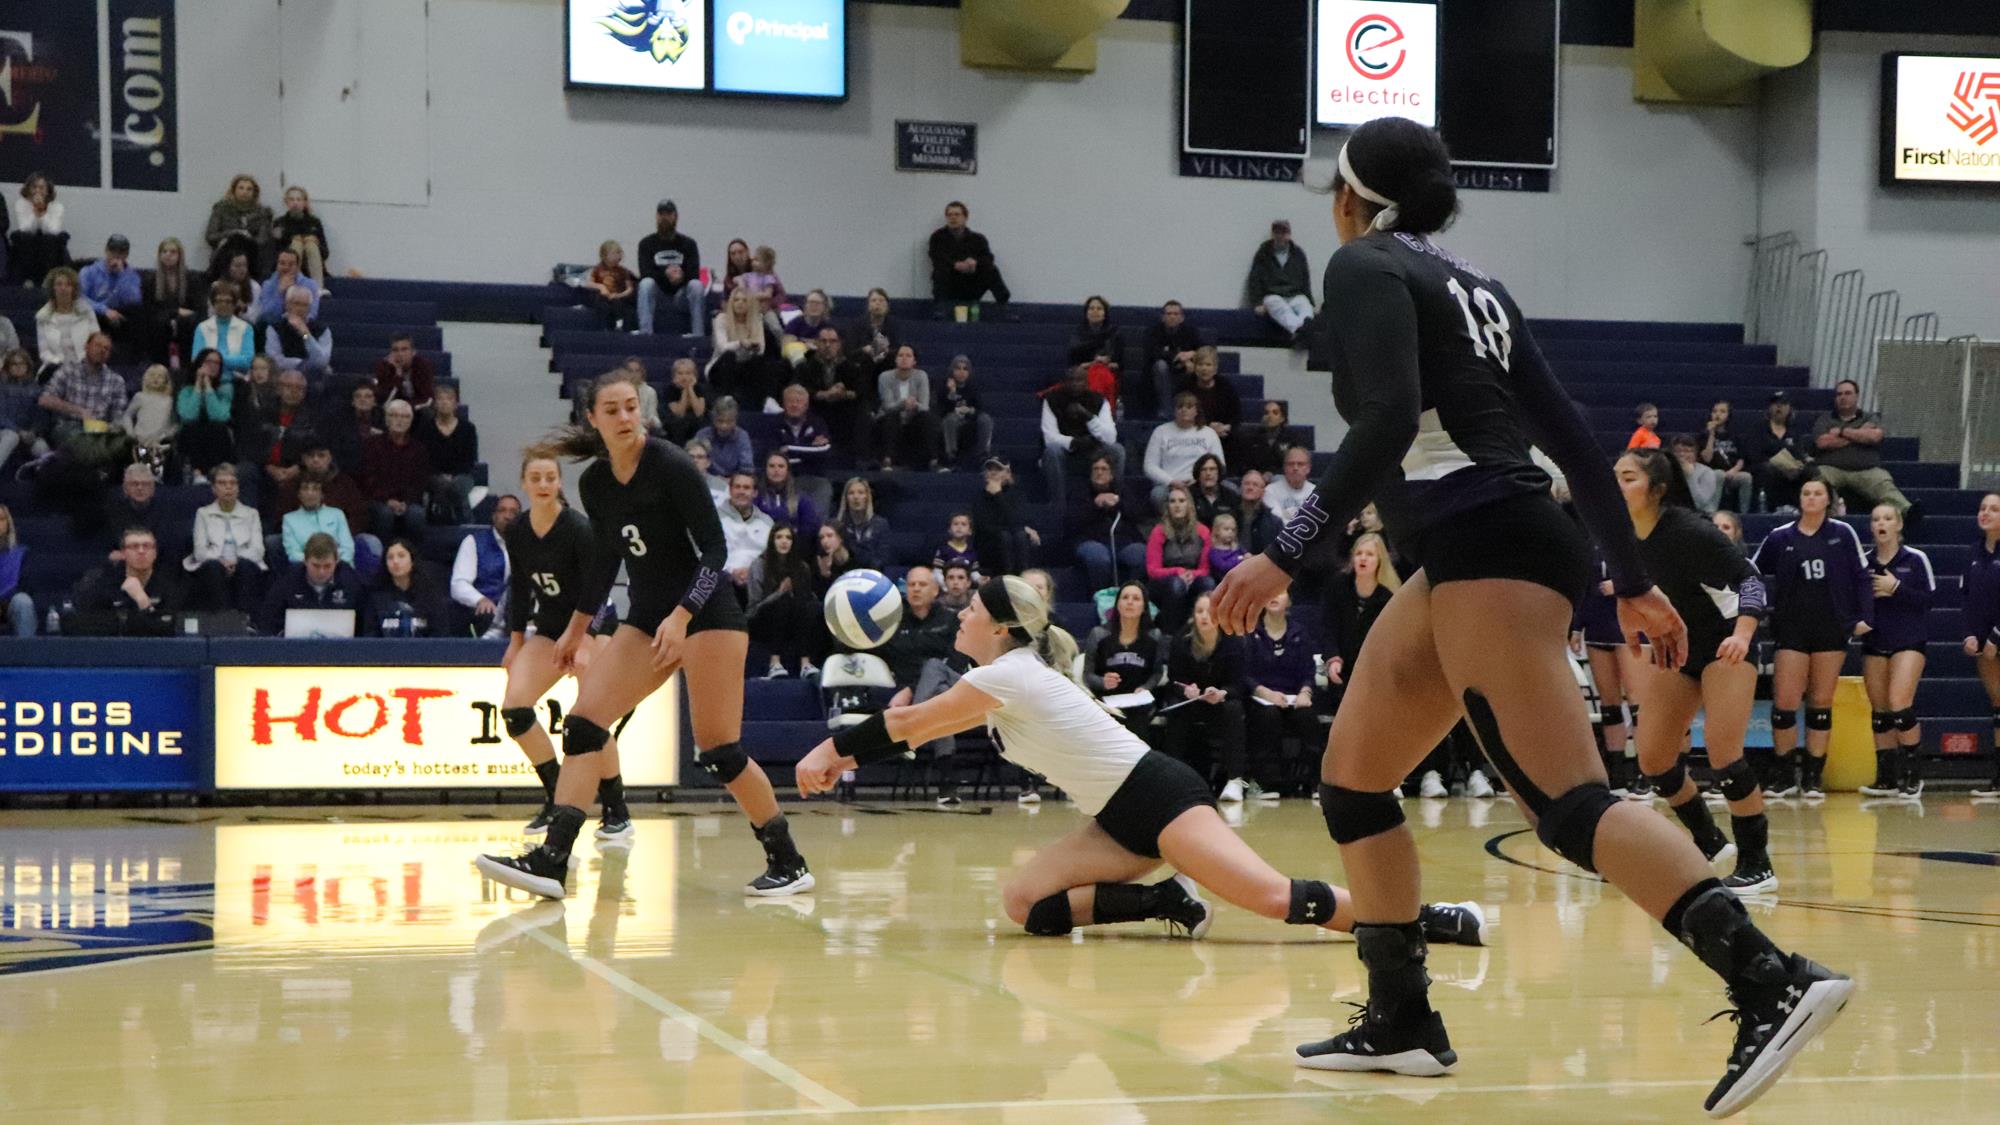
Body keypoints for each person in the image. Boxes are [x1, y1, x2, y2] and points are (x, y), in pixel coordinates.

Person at [1207, 117, 1848, 1111]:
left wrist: (1282, 551)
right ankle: (1401, 1019)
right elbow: (1573, 442)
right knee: (1353, 782)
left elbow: (1384, 420)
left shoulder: (1362, 266)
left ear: (1349, 199)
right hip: (1481, 544)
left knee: (1566, 809)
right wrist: (1628, 576)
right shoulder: (1476, 289)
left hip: (1484, 543)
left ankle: (1769, 979)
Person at [794, 576, 1485, 943]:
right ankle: (1162, 900)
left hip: (1161, 796)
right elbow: (913, 722)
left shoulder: (1008, 673)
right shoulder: (1006, 674)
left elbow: (909, 722)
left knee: (1274, 897)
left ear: (999, 627)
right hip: (1118, 818)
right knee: (1023, 902)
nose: (962, 615)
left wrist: (831, 748)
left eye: (971, 607)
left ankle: (1423, 920)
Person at [477, 372, 815, 899]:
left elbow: (715, 553)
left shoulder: (671, 465)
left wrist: (683, 616)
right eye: (611, 410)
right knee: (585, 725)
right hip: (646, 617)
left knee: (719, 750)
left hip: (707, 616)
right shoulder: (594, 483)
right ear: (593, 418)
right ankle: (552, 860)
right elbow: (605, 559)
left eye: (631, 407)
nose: (624, 417)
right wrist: (576, 628)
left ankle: (787, 861)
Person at [1614, 448, 1775, 893]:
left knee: (1724, 752)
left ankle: (1757, 863)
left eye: (1628, 478)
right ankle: (1709, 842)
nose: (1617, 486)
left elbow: (1751, 581)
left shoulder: (1688, 530)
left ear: (1657, 489)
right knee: (1654, 758)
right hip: (1682, 645)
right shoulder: (1623, 534)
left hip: (1727, 641)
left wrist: (1743, 636)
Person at [1752, 474, 1873, 799]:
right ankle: (1784, 776)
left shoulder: (1842, 533)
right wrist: (1753, 610)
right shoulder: (1780, 536)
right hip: (1791, 628)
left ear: (1828, 500)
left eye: (1818, 493)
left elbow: (1862, 577)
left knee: (1820, 702)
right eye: (1806, 493)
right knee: (1785, 704)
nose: (1811, 498)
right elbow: (1751, 571)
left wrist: (1864, 618)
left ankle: (1813, 777)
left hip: (1831, 628)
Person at [499, 455, 594, 832]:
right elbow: (520, 591)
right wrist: (516, 641)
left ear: (559, 483)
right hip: (552, 627)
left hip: (592, 625)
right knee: (514, 710)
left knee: (590, 717)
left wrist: (583, 639)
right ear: (524, 483)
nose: (542, 483)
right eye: (535, 477)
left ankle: (617, 812)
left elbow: (596, 591)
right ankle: (555, 796)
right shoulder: (518, 531)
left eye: (550, 477)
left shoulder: (578, 529)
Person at [1857, 503, 1933, 799]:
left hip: (1909, 641)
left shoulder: (1915, 559)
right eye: (1876, 519)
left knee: (1899, 703)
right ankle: (1886, 778)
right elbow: (1854, 602)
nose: (1881, 523)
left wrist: (1896, 587)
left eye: (1888, 518)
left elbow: (1928, 600)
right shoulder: (1863, 562)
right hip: (1875, 641)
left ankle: (1914, 773)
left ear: (1898, 525)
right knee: (1880, 712)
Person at [1571, 546, 1642, 791]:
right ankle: (1617, 775)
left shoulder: (1635, 538)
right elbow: (1583, 588)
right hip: (1597, 626)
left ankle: (1645, 773)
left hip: (1631, 624)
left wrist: (1622, 586)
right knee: (1609, 704)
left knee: (1636, 701)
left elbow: (1654, 576)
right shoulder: (1591, 545)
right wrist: (1577, 626)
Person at [1159, 591, 1245, 793]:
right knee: (1175, 711)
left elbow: (1239, 683)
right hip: (1191, 702)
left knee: (1234, 709)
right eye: (1199, 611)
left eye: (1209, 611)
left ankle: (1235, 780)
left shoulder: (1232, 640)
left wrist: (1222, 693)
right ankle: (1173, 779)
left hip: (1220, 702)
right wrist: (1186, 689)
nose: (1204, 616)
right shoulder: (1182, 639)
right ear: (1193, 615)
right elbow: (1174, 680)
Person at [1811, 379, 1911, 519]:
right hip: (1831, 468)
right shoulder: (1825, 419)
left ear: (1857, 396)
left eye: (1848, 393)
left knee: (1883, 483)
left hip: (1866, 470)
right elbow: (1822, 442)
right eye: (1839, 394)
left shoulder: (1870, 417)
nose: (1843, 397)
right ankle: (1829, 518)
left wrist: (1841, 431)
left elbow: (1874, 437)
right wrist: (1858, 433)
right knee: (1816, 479)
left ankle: (1908, 511)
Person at [1324, 532, 1397, 712]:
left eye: (1369, 554)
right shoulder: (1338, 585)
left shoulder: (1387, 597)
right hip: (1341, 667)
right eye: (1359, 553)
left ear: (1380, 559)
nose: (1363, 558)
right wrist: (1332, 658)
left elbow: (1388, 642)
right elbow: (1328, 627)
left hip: (1372, 672)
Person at [183, 464, 267, 612]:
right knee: (213, 568)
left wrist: (236, 560)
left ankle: (246, 620)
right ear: (214, 489)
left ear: (238, 488)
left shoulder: (251, 513)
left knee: (245, 567)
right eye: (222, 483)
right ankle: (223, 618)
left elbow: (258, 550)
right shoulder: (203, 513)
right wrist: (222, 561)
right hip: (214, 564)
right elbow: (200, 552)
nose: (228, 487)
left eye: (233, 483)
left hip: (243, 563)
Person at [71, 527, 185, 636]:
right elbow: (88, 622)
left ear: (155, 553)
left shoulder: (168, 585)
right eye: (134, 546)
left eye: (147, 546)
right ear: (123, 553)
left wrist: (143, 601)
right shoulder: (106, 581)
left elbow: (168, 629)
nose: (141, 551)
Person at [1084, 582, 1163, 737]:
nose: (1130, 602)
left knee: (1139, 723)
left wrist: (1146, 687)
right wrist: (1103, 682)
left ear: (1144, 606)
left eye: (1136, 598)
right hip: (1107, 701)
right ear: (1117, 604)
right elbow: (1087, 675)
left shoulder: (1155, 636)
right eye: (1125, 597)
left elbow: (1157, 673)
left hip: (1138, 701)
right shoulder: (1098, 634)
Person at [1040, 362, 1122, 510]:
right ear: (1064, 382)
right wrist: (1075, 442)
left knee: (1117, 450)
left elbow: (1110, 437)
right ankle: (1059, 505)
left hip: (1093, 452)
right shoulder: (1052, 399)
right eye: (1071, 380)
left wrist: (1088, 416)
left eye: (1079, 380)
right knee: (1051, 451)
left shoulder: (1098, 400)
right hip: (1067, 452)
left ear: (1086, 383)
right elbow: (1050, 437)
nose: (1074, 384)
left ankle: (1115, 498)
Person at [747, 522, 819, 678]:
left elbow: (806, 597)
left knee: (810, 606)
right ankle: (774, 663)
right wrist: (779, 593)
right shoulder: (759, 565)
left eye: (788, 538)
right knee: (782, 603)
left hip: (793, 618)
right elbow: (753, 608)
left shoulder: (802, 567)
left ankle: (805, 664)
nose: (784, 541)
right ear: (772, 541)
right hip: (762, 619)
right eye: (779, 537)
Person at [1070, 453, 1148, 593]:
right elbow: (1072, 522)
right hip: (1090, 540)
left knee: (1140, 554)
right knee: (1099, 557)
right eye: (1096, 469)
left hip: (1124, 541)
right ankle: (1101, 595)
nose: (1099, 472)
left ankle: (1132, 593)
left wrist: (1118, 503)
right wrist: (1096, 505)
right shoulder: (1079, 492)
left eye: (1104, 469)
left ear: (1112, 474)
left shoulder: (1123, 490)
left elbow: (1138, 515)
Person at [257, 532, 362, 633]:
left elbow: (367, 626)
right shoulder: (288, 581)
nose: (321, 572)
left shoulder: (351, 581)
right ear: (305, 560)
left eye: (327, 566)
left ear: (337, 561)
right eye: (316, 565)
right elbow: (268, 621)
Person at [1966, 494, 2000, 799]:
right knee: (1999, 708)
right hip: (1985, 643)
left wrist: (1996, 637)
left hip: (1997, 639)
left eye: (1994, 509)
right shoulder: (1975, 551)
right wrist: (1971, 635)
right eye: (1983, 508)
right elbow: (1970, 600)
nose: (1985, 513)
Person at [1145, 483, 1213, 634]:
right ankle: (1170, 635)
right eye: (1172, 501)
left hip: (1193, 578)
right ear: (1167, 506)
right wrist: (1178, 572)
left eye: (1182, 501)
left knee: (1208, 583)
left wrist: (1191, 575)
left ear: (1189, 505)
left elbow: (1205, 569)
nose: (1177, 505)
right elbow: (1152, 570)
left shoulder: (1203, 532)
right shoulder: (1158, 531)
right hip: (1164, 582)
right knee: (1177, 584)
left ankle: (1203, 632)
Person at [38, 332, 126, 445]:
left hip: (100, 429)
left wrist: (112, 428)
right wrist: (79, 411)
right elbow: (44, 400)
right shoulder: (68, 371)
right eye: (98, 345)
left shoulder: (116, 380)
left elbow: (118, 415)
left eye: (106, 348)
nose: (102, 350)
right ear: (86, 346)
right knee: (83, 441)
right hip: (68, 426)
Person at [363, 399, 432, 543]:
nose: (400, 420)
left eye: (405, 416)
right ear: (387, 419)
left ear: (411, 421)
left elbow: (421, 482)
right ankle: (384, 556)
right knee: (384, 514)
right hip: (379, 500)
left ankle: (413, 557)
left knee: (416, 514)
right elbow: (368, 478)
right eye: (395, 415)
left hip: (409, 501)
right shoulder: (372, 445)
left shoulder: (419, 449)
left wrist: (406, 502)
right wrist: (388, 500)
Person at [635, 199, 706, 336]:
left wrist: (681, 276)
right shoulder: (646, 243)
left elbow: (694, 273)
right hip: (658, 295)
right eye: (661, 214)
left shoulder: (689, 244)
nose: (664, 218)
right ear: (656, 216)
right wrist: (665, 274)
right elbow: (645, 272)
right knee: (645, 284)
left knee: (696, 285)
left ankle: (698, 335)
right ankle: (645, 334)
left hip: (681, 295)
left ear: (675, 216)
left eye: (668, 214)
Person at [1144, 392, 1226, 510]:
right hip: (1170, 485)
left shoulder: (1209, 433)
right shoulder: (1161, 431)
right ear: (1174, 411)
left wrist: (1198, 481)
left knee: (1231, 489)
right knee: (1157, 495)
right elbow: (1149, 466)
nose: (1183, 410)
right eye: (1180, 407)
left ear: (1196, 411)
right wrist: (1171, 481)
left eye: (1188, 407)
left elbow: (1220, 464)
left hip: (1201, 483)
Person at [927, 201, 1012, 315]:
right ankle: (940, 309)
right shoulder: (938, 237)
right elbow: (936, 257)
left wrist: (974, 263)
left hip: (972, 284)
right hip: (950, 285)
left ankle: (1004, 308)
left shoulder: (978, 239)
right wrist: (955, 265)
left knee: (992, 270)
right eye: (949, 215)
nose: (953, 218)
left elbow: (988, 259)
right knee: (940, 271)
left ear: (965, 217)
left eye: (957, 214)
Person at [452, 494, 518, 638]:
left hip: (516, 614)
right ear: (494, 516)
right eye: (502, 511)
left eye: (514, 512)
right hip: (486, 614)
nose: (508, 516)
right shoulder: (474, 542)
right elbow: (459, 584)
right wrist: (480, 599)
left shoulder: (527, 545)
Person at [707, 287, 783, 410]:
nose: (740, 303)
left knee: (763, 361)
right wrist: (741, 343)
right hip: (720, 366)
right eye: (736, 300)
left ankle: (768, 400)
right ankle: (727, 397)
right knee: (729, 356)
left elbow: (761, 349)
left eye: (744, 300)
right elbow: (722, 347)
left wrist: (753, 347)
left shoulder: (757, 319)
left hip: (745, 365)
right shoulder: (721, 319)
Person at [794, 326, 866, 450]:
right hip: (814, 409)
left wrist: (844, 393)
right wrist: (823, 394)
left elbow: (861, 391)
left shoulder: (852, 367)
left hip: (843, 411)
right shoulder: (804, 367)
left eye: (832, 341)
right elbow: (798, 388)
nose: (828, 345)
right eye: (823, 341)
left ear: (839, 344)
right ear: (816, 343)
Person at [417, 381, 479, 524]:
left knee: (457, 487)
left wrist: (453, 476)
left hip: (462, 475)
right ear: (435, 403)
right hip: (433, 475)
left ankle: (448, 521)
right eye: (440, 399)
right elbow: (423, 459)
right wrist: (441, 475)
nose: (445, 403)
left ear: (456, 404)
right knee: (441, 485)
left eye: (449, 399)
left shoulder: (468, 428)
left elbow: (470, 459)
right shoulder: (425, 428)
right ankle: (461, 522)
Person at [1246, 219, 1314, 344]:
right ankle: (1300, 331)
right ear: (1273, 234)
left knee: (1305, 305)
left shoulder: (1298, 253)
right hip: (1273, 295)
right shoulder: (1263, 253)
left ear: (1289, 234)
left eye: (1284, 233)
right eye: (1277, 233)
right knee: (1275, 304)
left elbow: (1305, 279)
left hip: (1294, 295)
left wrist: (1310, 301)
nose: (1281, 236)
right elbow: (1254, 279)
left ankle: (1304, 331)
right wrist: (1257, 302)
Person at [874, 344, 940, 471]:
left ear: (914, 361)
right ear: (895, 359)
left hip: (912, 422)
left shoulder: (921, 376)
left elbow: (924, 407)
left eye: (908, 356)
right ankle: (887, 460)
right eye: (900, 355)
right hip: (890, 420)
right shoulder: (885, 377)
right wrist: (903, 403)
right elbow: (887, 406)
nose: (904, 358)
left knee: (927, 418)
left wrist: (914, 405)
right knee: (892, 417)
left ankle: (934, 460)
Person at [366, 539, 449, 637]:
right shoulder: (376, 597)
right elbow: (369, 635)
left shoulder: (430, 595)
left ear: (412, 560)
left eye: (401, 556)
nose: (395, 561)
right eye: (390, 557)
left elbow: (440, 634)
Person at [78, 235, 144, 359]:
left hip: (119, 316)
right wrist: (104, 310)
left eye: (121, 252)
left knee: (138, 313)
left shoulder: (132, 276)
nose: (116, 255)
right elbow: (80, 298)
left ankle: (136, 360)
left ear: (126, 255)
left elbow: (134, 301)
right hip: (96, 314)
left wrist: (121, 276)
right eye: (113, 251)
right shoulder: (89, 272)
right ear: (106, 251)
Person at [972, 456, 1039, 578]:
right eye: (989, 469)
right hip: (989, 546)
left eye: (998, 469)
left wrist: (998, 496)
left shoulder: (1017, 494)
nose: (992, 472)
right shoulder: (979, 497)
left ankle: (1023, 577)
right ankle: (1008, 578)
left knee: (1019, 536)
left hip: (1015, 541)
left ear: (1008, 474)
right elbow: (984, 526)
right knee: (1006, 535)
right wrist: (997, 495)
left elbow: (1018, 520)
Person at [174, 349, 236, 480]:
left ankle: (216, 473)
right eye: (209, 362)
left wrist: (208, 386)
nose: (213, 366)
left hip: (217, 435)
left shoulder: (225, 389)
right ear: (200, 364)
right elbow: (188, 416)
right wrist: (198, 385)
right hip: (192, 434)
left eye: (217, 363)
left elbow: (220, 416)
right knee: (191, 428)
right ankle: (197, 474)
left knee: (217, 428)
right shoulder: (186, 390)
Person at [1747, 391, 1808, 513]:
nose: (1779, 407)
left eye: (1783, 404)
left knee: (1809, 472)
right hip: (1764, 467)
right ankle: (1767, 509)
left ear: (1789, 408)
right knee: (1767, 470)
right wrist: (1780, 463)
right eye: (1775, 404)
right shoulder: (1758, 429)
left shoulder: (1794, 432)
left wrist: (1797, 465)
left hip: (1791, 470)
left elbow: (1799, 455)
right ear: (1770, 408)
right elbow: (1754, 455)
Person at [718, 469, 774, 603]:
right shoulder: (713, 519)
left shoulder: (767, 522)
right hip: (721, 582)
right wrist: (730, 573)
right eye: (737, 487)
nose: (741, 492)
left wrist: (752, 572)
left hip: (758, 583)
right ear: (730, 490)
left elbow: (772, 556)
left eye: (746, 488)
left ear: (755, 493)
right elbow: (702, 554)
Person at [1142, 300, 1204, 421]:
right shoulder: (1153, 332)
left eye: (1176, 314)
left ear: (1182, 317)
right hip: (1157, 377)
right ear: (1163, 317)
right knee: (1160, 366)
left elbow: (1205, 349)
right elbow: (1154, 354)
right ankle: (1167, 411)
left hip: (1182, 374)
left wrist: (1192, 354)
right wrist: (1181, 358)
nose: (1172, 317)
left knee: (1199, 367)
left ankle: (1193, 412)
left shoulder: (1190, 332)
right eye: (1169, 314)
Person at [142, 237, 199, 365]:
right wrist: (175, 312)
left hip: (185, 323)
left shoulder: (192, 279)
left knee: (189, 322)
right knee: (159, 322)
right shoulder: (150, 280)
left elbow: (197, 308)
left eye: (173, 252)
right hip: (160, 323)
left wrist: (176, 317)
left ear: (180, 255)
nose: (168, 255)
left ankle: (185, 365)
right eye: (164, 251)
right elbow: (149, 309)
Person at [35, 266, 98, 378]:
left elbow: (96, 343)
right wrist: (59, 363)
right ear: (52, 288)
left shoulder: (87, 312)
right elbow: (44, 352)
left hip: (85, 366)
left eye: (68, 284)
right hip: (55, 368)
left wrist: (81, 363)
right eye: (59, 284)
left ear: (74, 288)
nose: (63, 288)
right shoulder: (42, 317)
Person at [281, 472, 357, 566]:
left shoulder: (337, 514)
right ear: (299, 494)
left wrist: (331, 564)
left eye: (315, 489)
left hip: (340, 566)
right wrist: (318, 564)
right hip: (308, 570)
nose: (310, 493)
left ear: (322, 494)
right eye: (305, 488)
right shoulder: (289, 519)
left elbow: (348, 547)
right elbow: (293, 554)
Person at [204, 174, 275, 274]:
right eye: (241, 188)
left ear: (254, 192)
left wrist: (247, 238)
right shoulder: (221, 209)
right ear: (234, 190)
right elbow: (210, 237)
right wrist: (233, 233)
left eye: (249, 189)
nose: (244, 192)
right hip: (225, 253)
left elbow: (263, 240)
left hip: (252, 255)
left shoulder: (262, 213)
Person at [263, 284, 333, 382]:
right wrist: (302, 364)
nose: (300, 309)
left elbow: (321, 362)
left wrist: (305, 334)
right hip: (283, 375)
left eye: (304, 305)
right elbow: (274, 360)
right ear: (287, 305)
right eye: (296, 304)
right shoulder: (275, 328)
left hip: (313, 377)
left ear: (309, 308)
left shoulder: (322, 329)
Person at [10, 174, 69, 287]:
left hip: (49, 243)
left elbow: (53, 230)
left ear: (47, 190)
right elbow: (25, 228)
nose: (37, 191)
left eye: (41, 187)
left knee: (49, 239)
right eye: (34, 187)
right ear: (28, 189)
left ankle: (47, 279)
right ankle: (27, 278)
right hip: (28, 242)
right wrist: (35, 211)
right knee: (25, 238)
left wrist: (42, 213)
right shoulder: (21, 204)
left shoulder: (57, 207)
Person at [190, 280, 257, 378]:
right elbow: (197, 359)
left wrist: (214, 360)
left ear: (234, 304)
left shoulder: (246, 328)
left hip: (237, 379)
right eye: (219, 301)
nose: (223, 305)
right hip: (208, 379)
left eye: (228, 301)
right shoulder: (202, 328)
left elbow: (247, 362)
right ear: (213, 304)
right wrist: (231, 361)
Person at [935, 354, 992, 467]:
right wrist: (952, 392)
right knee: (950, 420)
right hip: (950, 417)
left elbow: (979, 408)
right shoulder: (944, 385)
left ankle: (983, 453)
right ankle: (951, 454)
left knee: (985, 419)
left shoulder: (972, 387)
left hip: (969, 418)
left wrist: (970, 410)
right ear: (952, 370)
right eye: (958, 368)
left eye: (965, 369)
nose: (961, 372)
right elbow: (942, 409)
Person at [1701, 399, 1754, 513]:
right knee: (1718, 474)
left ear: (1728, 415)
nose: (1717, 415)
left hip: (1731, 473)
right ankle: (1712, 512)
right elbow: (1707, 458)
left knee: (1746, 477)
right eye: (1715, 411)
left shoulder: (1735, 435)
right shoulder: (1703, 435)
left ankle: (1744, 513)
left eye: (1722, 411)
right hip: (1711, 473)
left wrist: (1734, 470)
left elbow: (1741, 459)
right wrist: (1711, 434)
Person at [0, 349, 49, 469]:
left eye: (22, 364)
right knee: (12, 436)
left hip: (28, 434)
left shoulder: (37, 389)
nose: (18, 367)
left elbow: (42, 416)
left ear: (27, 366)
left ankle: (48, 483)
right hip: (5, 431)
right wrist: (18, 431)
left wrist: (34, 431)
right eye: (14, 364)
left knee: (42, 448)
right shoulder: (1, 387)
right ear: (8, 367)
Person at [272, 185, 331, 283]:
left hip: (311, 265)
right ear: (286, 202)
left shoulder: (315, 222)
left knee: (311, 245)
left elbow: (325, 253)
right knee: (296, 244)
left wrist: (315, 243)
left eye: (299, 199)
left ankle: (318, 287)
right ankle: (293, 283)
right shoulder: (279, 223)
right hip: (288, 264)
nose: (295, 203)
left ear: (305, 202)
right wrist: (292, 242)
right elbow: (275, 251)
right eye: (292, 199)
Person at [772, 383, 832, 478]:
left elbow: (824, 451)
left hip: (812, 476)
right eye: (790, 401)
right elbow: (773, 454)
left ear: (806, 405)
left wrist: (789, 448)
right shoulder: (774, 423)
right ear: (783, 404)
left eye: (798, 401)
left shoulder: (817, 423)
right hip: (781, 477)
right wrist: (810, 451)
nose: (794, 405)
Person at [253, 246, 322, 325]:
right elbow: (267, 315)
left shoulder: (310, 284)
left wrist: (294, 321)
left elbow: (312, 313)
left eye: (291, 264)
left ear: (297, 267)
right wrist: (280, 293)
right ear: (277, 265)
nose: (286, 267)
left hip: (303, 325)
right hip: (275, 326)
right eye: (282, 263)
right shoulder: (268, 285)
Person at [754, 450, 820, 533]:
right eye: (771, 466)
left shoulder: (801, 498)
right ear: (765, 470)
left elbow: (811, 526)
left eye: (781, 466)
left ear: (788, 471)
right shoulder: (756, 496)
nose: (776, 470)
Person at [1066, 296, 1124, 386]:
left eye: (1099, 308)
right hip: (1082, 375)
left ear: (1105, 314)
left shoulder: (1114, 333)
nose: (1095, 311)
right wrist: (1093, 363)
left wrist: (1102, 364)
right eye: (1091, 308)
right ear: (1086, 313)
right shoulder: (1078, 334)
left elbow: (1119, 365)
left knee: (1100, 375)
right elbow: (1074, 365)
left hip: (1107, 374)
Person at [833, 477, 889, 569]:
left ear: (867, 497)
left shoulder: (880, 524)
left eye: (861, 493)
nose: (856, 497)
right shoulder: (837, 526)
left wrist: (853, 554)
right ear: (846, 498)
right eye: (851, 493)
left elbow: (882, 560)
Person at [693, 396, 755, 479]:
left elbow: (747, 469)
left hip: (733, 483)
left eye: (729, 421)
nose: (724, 426)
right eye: (720, 421)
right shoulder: (702, 435)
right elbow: (693, 463)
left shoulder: (742, 437)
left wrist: (731, 480)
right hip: (705, 480)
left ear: (735, 420)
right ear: (713, 419)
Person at [843, 288, 902, 375]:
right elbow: (849, 351)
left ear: (887, 305)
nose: (877, 303)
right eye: (873, 300)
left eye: (881, 300)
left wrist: (887, 351)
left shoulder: (894, 325)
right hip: (862, 369)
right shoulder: (856, 325)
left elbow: (900, 349)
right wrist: (863, 350)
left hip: (888, 368)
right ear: (868, 305)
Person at [584, 239, 638, 332]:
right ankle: (604, 327)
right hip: (603, 297)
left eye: (619, 253)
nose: (618, 256)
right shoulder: (598, 269)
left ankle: (619, 324)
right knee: (602, 303)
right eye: (614, 253)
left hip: (617, 297)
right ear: (604, 256)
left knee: (617, 303)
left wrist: (618, 295)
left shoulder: (623, 271)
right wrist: (601, 287)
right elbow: (588, 283)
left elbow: (629, 289)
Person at [121, 363, 177, 451]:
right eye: (152, 375)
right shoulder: (140, 397)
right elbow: (127, 416)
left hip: (160, 444)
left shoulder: (169, 401)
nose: (156, 379)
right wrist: (131, 433)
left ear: (166, 380)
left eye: (160, 376)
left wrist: (165, 436)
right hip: (139, 442)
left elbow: (174, 424)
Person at [374, 334, 436, 409]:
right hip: (393, 410)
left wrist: (406, 408)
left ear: (413, 352)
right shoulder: (384, 367)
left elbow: (427, 398)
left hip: (417, 409)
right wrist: (398, 375)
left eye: (404, 349)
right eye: (395, 350)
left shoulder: (423, 366)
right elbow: (384, 400)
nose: (400, 354)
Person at [0, 504, 34, 636]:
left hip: (8, 606)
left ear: (8, 524)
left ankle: (28, 653)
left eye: (1, 519)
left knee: (23, 601)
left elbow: (27, 587)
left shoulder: (21, 554)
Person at [660, 357, 709, 446]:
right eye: (680, 373)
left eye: (688, 373)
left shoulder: (699, 388)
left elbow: (699, 413)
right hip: (675, 425)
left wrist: (690, 388)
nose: (684, 377)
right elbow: (680, 414)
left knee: (701, 422)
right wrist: (685, 391)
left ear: (694, 375)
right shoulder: (669, 389)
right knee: (679, 424)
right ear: (674, 375)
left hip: (695, 423)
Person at [1232, 470, 1283, 554]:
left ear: (1262, 492)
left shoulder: (1274, 523)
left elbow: (1278, 553)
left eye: (1255, 485)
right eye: (1247, 484)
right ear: (1240, 488)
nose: (1250, 487)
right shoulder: (1230, 516)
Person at [1263, 446, 1316, 525]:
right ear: (1284, 468)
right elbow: (1277, 522)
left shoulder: (1315, 492)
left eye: (1300, 464)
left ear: (1308, 468)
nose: (1295, 468)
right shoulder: (1270, 491)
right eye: (1291, 464)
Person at [1671, 434, 1722, 514]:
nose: (1682, 454)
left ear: (1695, 454)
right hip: (1676, 515)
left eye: (1687, 451)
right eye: (1678, 451)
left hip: (1702, 516)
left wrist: (1690, 476)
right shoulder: (1668, 471)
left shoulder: (1707, 472)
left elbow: (1698, 504)